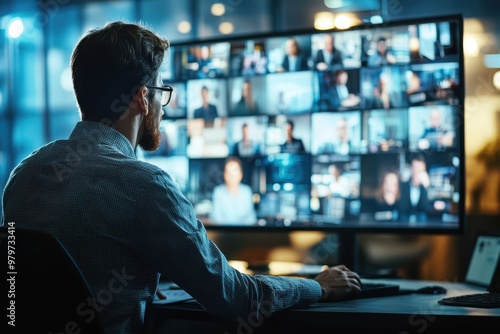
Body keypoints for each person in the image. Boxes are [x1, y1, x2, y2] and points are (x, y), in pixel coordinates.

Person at [0, 21, 361, 334]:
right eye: (160, 93)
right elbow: (236, 298)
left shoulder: (24, 173)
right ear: (142, 98)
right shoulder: (144, 185)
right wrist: (318, 287)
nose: (162, 107)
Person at [210, 156, 257, 225]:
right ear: (224, 175)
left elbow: (251, 219)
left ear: (241, 174)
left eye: (235, 171)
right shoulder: (218, 192)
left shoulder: (247, 191)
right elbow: (216, 219)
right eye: (228, 172)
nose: (231, 175)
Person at [399, 154, 433, 222]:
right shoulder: (402, 186)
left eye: (419, 169)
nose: (416, 172)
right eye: (415, 168)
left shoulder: (426, 187)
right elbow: (402, 208)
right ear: (411, 169)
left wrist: (426, 187)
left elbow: (427, 208)